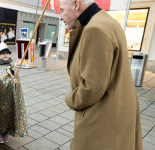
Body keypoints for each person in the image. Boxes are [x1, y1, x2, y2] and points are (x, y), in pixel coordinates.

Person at [60, 0, 143, 149]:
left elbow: (91, 88)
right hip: (118, 109)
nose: (60, 17)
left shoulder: (94, 29)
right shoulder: (107, 21)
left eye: (61, 10)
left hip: (103, 118)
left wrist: (70, 99)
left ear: (76, 4)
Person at [0, 42, 28, 144]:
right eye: (3, 53)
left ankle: (6, 133)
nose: (5, 55)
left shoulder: (12, 67)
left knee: (9, 114)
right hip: (0, 98)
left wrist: (15, 82)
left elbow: (17, 81)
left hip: (10, 97)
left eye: (7, 53)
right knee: (0, 115)